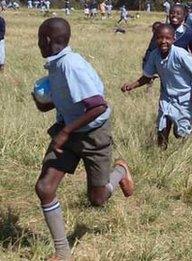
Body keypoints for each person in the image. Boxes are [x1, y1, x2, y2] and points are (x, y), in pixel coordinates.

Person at [32, 18, 134, 260]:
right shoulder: (56, 65)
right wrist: (42, 101)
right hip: (68, 129)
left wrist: (66, 132)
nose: (38, 44)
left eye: (39, 39)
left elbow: (98, 106)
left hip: (93, 134)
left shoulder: (71, 65)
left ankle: (120, 170)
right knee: (45, 188)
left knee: (97, 198)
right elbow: (66, 101)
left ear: (46, 40)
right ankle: (62, 252)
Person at [121, 24, 192, 149]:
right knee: (162, 130)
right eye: (159, 38)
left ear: (173, 39)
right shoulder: (154, 55)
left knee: (181, 133)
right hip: (167, 96)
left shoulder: (180, 54)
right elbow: (147, 76)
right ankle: (161, 158)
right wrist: (132, 85)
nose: (164, 41)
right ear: (155, 39)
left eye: (167, 38)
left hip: (185, 97)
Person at [167, 4, 192, 80]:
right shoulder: (162, 30)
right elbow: (152, 49)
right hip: (165, 68)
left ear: (184, 17)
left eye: (178, 14)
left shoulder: (188, 33)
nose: (174, 15)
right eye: (172, 13)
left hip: (181, 67)